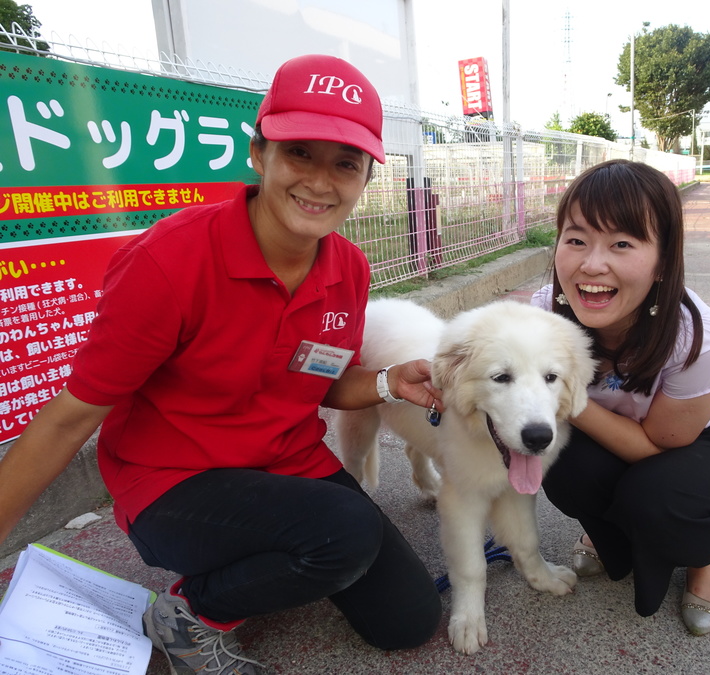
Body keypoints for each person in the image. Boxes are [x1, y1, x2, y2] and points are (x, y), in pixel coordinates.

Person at [0, 54, 444, 674]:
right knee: (344, 532)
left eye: (345, 163)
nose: (320, 182)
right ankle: (190, 612)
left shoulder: (349, 268)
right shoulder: (169, 263)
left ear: (367, 177)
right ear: (259, 154)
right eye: (299, 154)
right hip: (172, 481)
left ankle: (277, 552)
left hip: (288, 464)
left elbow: (317, 380)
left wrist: (387, 382)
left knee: (409, 621)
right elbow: (69, 419)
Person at [532, 159, 710, 636]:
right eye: (576, 239)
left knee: (662, 496)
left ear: (664, 259)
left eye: (622, 244)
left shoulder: (695, 334)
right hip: (612, 428)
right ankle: (614, 531)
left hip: (705, 443)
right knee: (559, 461)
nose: (591, 264)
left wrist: (565, 396)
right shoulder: (546, 310)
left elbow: (657, 444)